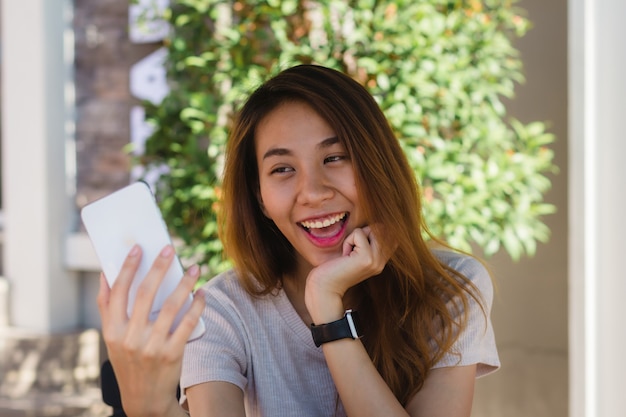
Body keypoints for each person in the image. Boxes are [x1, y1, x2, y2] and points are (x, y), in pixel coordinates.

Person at [97, 64, 499, 417]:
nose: (313, 191)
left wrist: (328, 311)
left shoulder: (450, 288)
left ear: (378, 166)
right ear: (260, 197)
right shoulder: (224, 312)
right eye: (283, 169)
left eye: (335, 158)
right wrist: (151, 411)